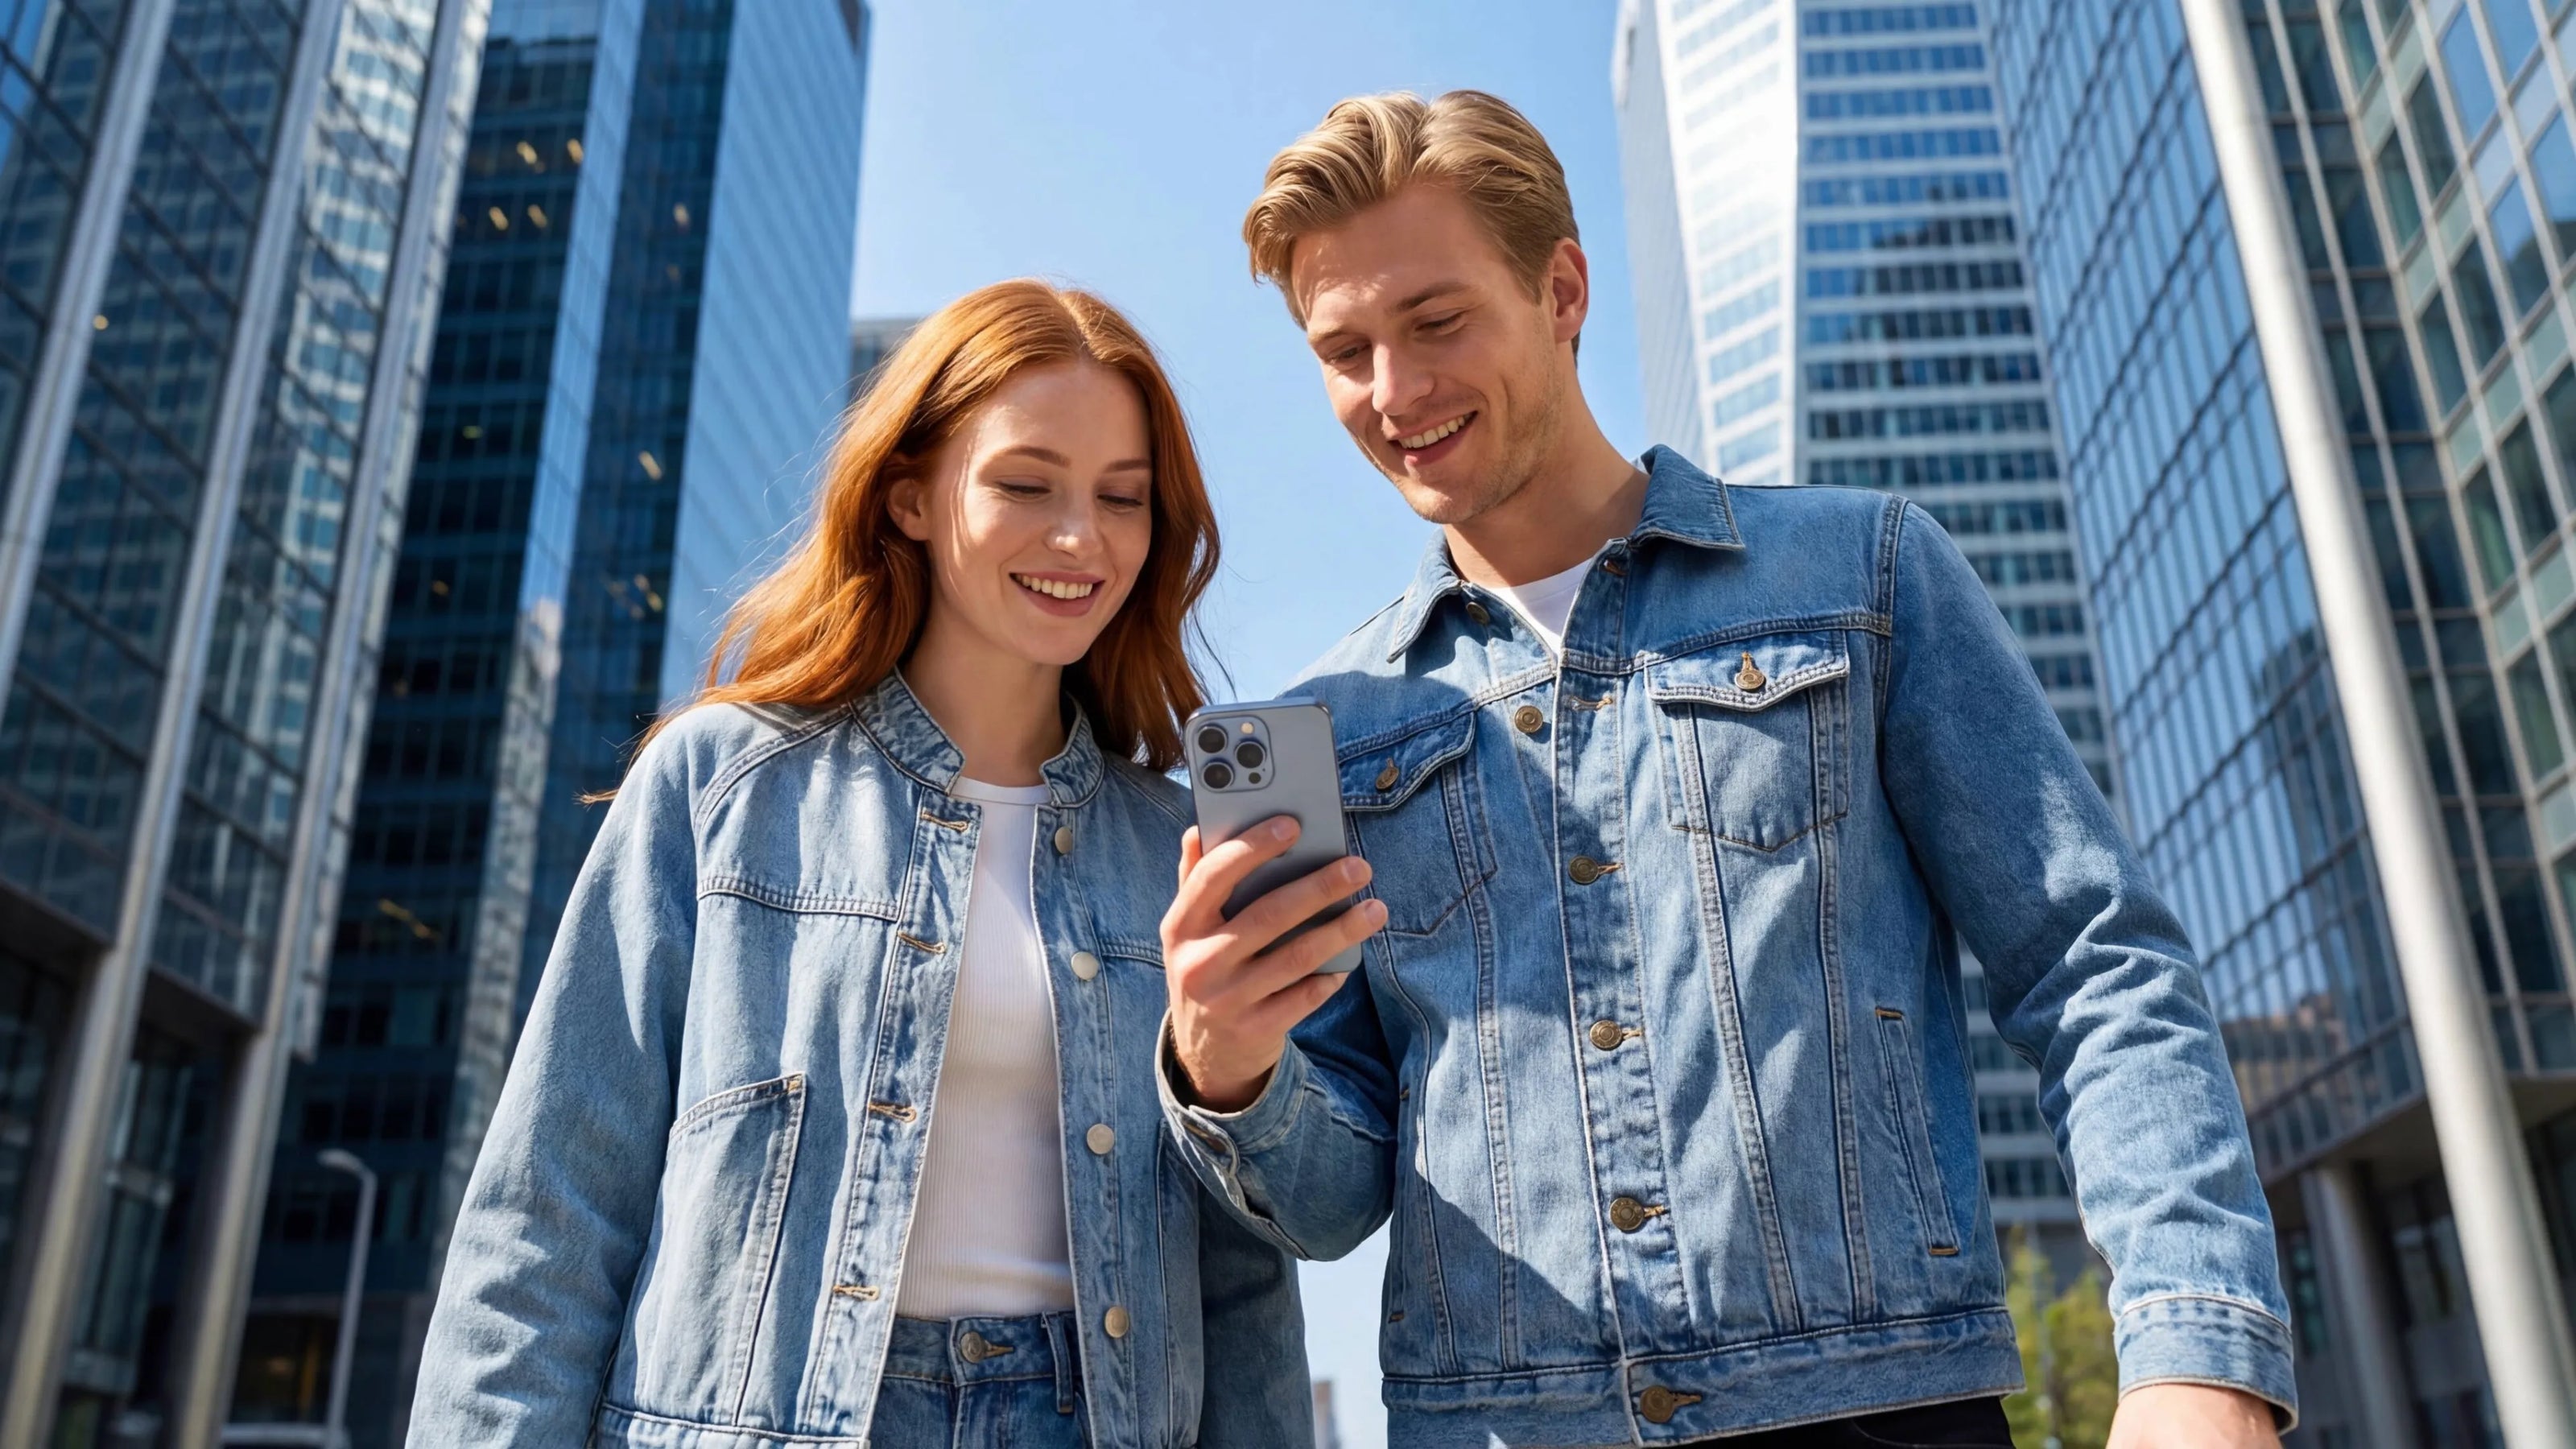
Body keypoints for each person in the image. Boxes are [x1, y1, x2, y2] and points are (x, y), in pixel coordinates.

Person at [1158, 91, 2295, 1447]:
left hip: (1876, 1408)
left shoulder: (1866, 574)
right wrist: (1227, 1069)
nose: (1393, 394)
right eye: (1344, 350)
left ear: (1562, 287)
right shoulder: (1316, 730)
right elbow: (1335, 1202)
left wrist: (2197, 1352)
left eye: (1437, 321)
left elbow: (2092, 963)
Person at [408, 280, 1321, 1447]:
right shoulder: (722, 783)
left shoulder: (1178, 849)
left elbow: (1239, 1283)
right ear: (911, 500)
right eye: (1024, 484)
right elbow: (551, 1214)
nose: (1080, 538)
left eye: (1123, 499)